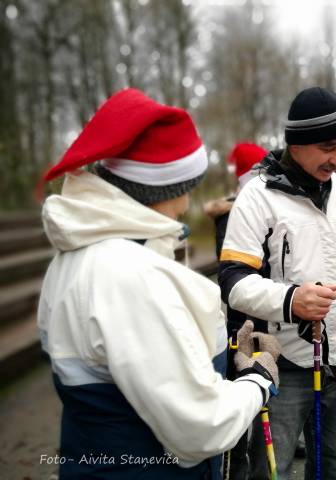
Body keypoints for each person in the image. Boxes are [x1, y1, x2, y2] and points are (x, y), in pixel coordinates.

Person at [38, 88, 280, 480]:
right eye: (189, 184)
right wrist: (259, 379)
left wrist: (224, 366)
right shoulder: (129, 274)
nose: (189, 198)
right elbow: (201, 426)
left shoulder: (74, 255)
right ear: (172, 188)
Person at [218, 86, 336, 479]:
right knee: (271, 471)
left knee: (334, 463)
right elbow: (232, 280)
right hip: (283, 363)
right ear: (295, 144)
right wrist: (290, 300)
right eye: (329, 147)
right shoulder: (256, 197)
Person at [203, 141, 268, 479]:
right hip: (241, 320)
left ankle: (261, 450)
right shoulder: (232, 214)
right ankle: (239, 464)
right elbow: (234, 269)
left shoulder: (262, 205)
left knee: (264, 383)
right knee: (243, 386)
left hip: (265, 316)